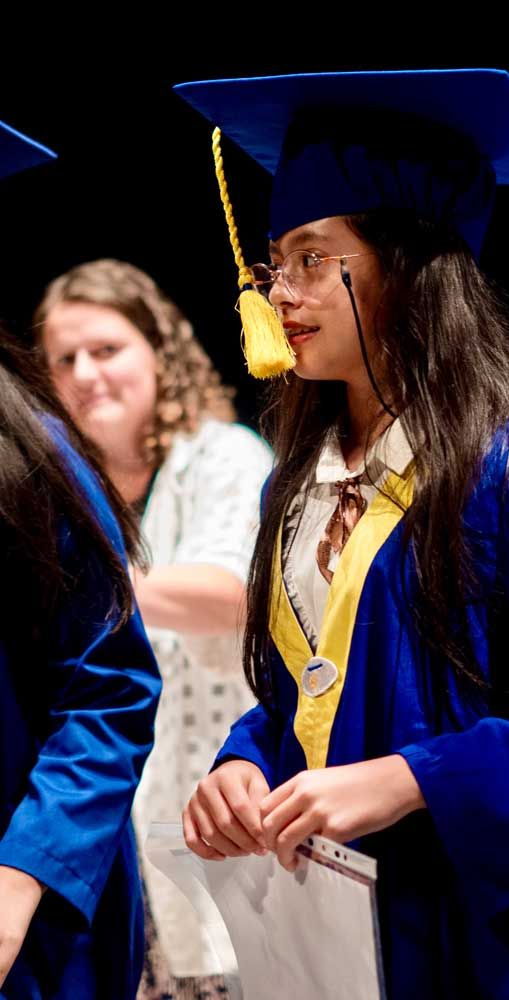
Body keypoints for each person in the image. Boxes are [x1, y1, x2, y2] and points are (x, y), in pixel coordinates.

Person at [173, 68, 509, 999]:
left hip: (500, 940)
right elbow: (304, 698)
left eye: (314, 259)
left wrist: (413, 778)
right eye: (277, 264)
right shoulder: (295, 492)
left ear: (409, 266)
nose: (281, 296)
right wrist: (240, 762)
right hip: (342, 938)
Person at [34, 259, 273, 996]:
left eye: (106, 349)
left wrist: (77, 594)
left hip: (221, 812)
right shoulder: (61, 489)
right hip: (112, 839)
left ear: (158, 352)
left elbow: (230, 593)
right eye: (64, 359)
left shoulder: (224, 457)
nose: (85, 373)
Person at [0, 119, 161, 999]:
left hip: (25, 915)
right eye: (73, 356)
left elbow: (110, 690)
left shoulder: (30, 454)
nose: (90, 372)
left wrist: (25, 875)